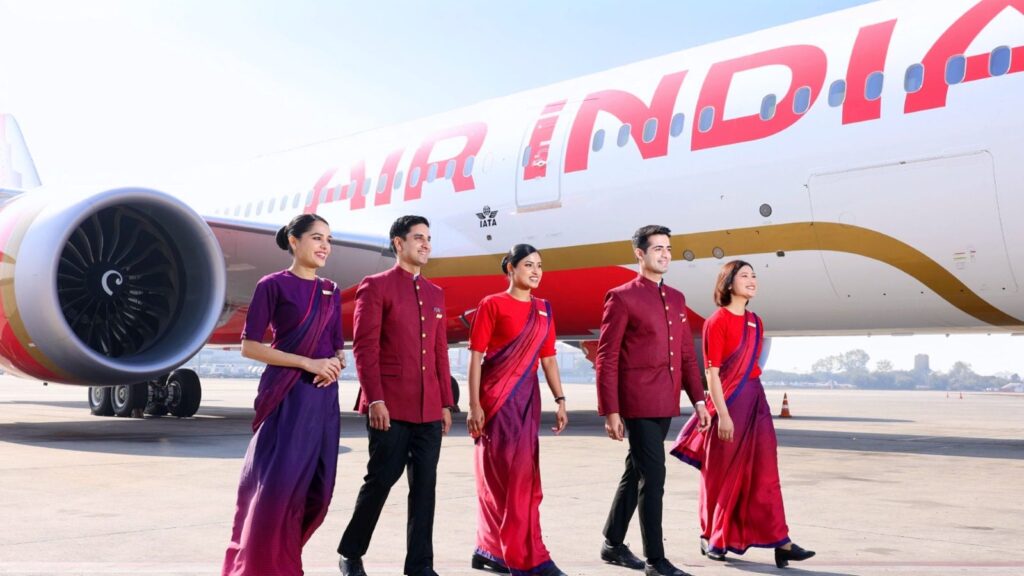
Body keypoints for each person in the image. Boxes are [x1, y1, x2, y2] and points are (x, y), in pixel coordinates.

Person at [670, 260, 815, 569]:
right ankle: (712, 536)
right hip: (728, 402)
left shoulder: (756, 322)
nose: (752, 281)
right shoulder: (716, 321)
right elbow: (712, 374)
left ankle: (781, 542)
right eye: (744, 276)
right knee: (720, 475)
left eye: (754, 276)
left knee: (765, 473)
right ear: (728, 283)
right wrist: (722, 415)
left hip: (755, 402)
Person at [223, 214, 345, 576]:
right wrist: (310, 363)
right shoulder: (272, 285)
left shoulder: (331, 290)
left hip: (324, 400)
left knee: (318, 495)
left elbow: (338, 346)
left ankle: (282, 557)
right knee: (276, 492)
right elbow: (250, 347)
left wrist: (335, 363)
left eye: (329, 240)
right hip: (287, 396)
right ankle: (266, 568)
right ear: (294, 241)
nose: (325, 246)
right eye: (317, 238)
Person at [338, 215, 454, 576]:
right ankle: (350, 552)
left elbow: (439, 353)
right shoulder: (375, 286)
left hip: (429, 410)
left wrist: (446, 402)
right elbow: (365, 348)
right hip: (389, 406)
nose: (425, 244)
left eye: (429, 239)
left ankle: (420, 565)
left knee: (425, 489)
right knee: (380, 481)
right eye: (418, 238)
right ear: (398, 243)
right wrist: (374, 399)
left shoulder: (436, 294)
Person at [596, 225, 710, 576]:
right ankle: (656, 561)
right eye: (657, 248)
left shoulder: (676, 298)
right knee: (654, 478)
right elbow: (607, 357)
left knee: (637, 471)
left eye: (669, 249)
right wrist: (611, 410)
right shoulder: (622, 297)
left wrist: (700, 400)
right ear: (640, 254)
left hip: (666, 400)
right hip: (637, 401)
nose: (664, 254)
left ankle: (612, 543)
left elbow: (687, 357)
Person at [466, 244, 569, 576]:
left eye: (540, 265)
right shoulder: (492, 305)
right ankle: (513, 554)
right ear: (510, 268)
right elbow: (476, 358)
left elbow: (549, 358)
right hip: (496, 406)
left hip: (527, 404)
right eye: (528, 265)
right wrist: (473, 406)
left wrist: (560, 399)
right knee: (500, 481)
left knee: (524, 482)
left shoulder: (545, 309)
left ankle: (504, 551)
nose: (536, 271)